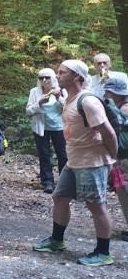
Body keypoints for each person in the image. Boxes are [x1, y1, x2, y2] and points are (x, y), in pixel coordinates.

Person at [33, 60, 117, 266]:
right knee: (60, 197)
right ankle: (57, 240)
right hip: (74, 160)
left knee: (96, 205)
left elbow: (109, 133)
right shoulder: (69, 98)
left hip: (92, 161)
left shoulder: (88, 101)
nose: (57, 76)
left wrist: (112, 159)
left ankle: (103, 252)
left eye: (62, 73)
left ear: (76, 77)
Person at [26, 68, 68, 194]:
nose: (44, 80)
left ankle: (64, 181)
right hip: (41, 127)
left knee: (63, 154)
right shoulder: (34, 92)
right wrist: (39, 103)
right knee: (44, 155)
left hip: (59, 127)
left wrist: (59, 98)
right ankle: (47, 182)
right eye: (41, 78)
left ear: (52, 78)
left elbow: (68, 107)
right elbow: (28, 111)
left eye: (47, 77)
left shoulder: (61, 90)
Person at [103, 78, 128, 241]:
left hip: (126, 157)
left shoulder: (124, 109)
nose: (105, 94)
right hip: (123, 157)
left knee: (125, 191)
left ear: (114, 93)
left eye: (107, 91)